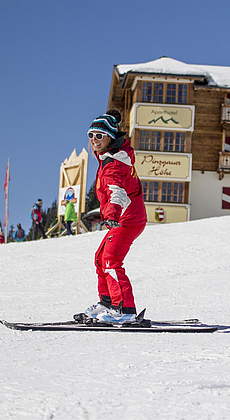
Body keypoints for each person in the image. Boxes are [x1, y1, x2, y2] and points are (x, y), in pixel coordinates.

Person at [82, 109, 147, 324]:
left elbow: (117, 192)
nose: (94, 140)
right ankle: (108, 303)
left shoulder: (114, 163)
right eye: (91, 135)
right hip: (125, 219)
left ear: (110, 137)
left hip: (127, 219)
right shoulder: (109, 157)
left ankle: (125, 309)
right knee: (100, 258)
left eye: (99, 136)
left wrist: (111, 214)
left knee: (110, 260)